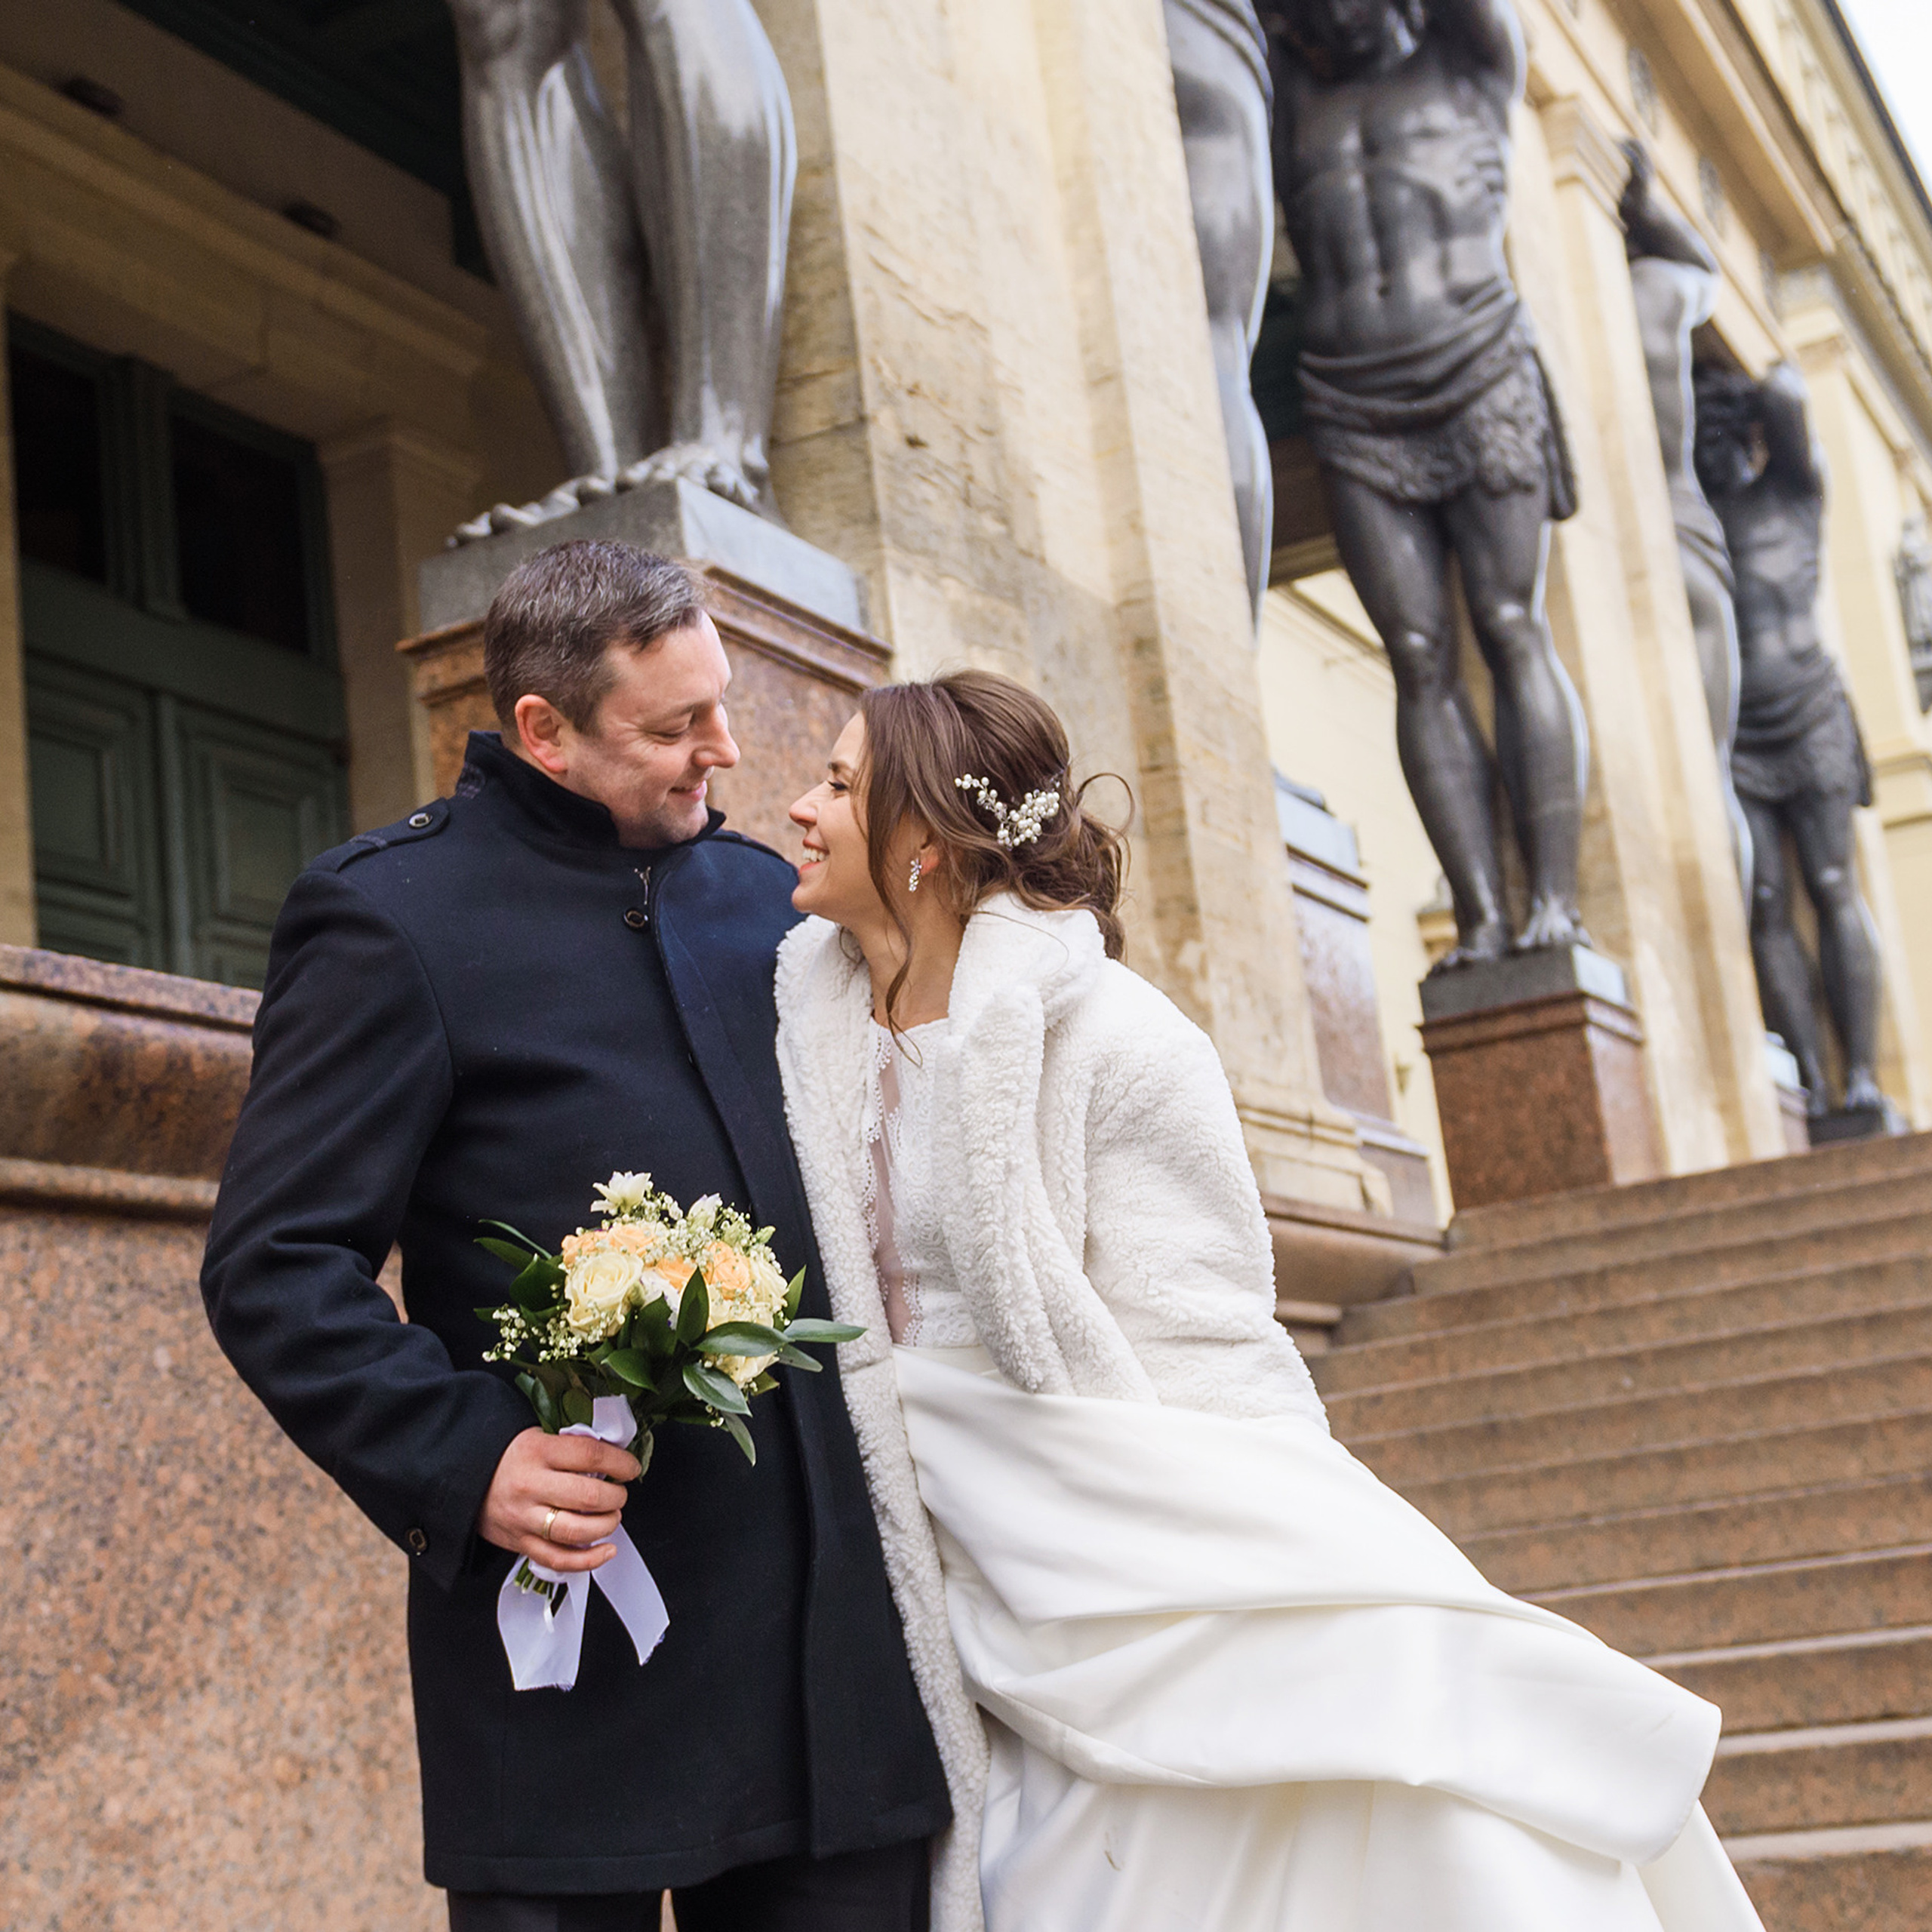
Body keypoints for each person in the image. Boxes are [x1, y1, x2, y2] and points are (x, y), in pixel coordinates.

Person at [774, 669, 1765, 1932]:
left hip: (1093, 1535)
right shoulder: (807, 1033)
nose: (799, 806)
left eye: (839, 785)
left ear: (919, 841)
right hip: (915, 1553)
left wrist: (1241, 1570)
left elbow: (1210, 1344)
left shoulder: (1129, 1048)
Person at [201, 541, 952, 1930]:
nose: (723, 753)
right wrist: (465, 1456)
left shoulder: (770, 908)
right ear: (541, 730)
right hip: (568, 1649)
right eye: (672, 728)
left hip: (823, 1666)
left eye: (721, 704)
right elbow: (275, 1265)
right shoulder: (385, 917)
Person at [1263, 0, 1589, 967]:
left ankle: (1557, 905)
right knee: (1415, 651)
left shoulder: (1468, 56)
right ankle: (1484, 915)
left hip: (1477, 367)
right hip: (1350, 401)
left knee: (1509, 623)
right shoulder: (1297, 90)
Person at [1694, 361, 1887, 1118]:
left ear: (1749, 437)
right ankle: (1809, 1078)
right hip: (1743, 732)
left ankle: (1863, 1073)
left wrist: (1744, 389)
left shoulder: (1794, 494)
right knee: (1766, 901)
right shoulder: (1695, 519)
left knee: (1834, 886)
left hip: (1811, 714)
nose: (1711, 451)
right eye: (1696, 434)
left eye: (1722, 434)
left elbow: (1787, 390)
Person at [1619, 140, 1751, 900]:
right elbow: (1705, 270)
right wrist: (1650, 207)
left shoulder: (1545, 289)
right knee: (1708, 767)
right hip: (1680, 533)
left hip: (1603, 546)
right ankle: (1732, 977)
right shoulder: (1657, 290)